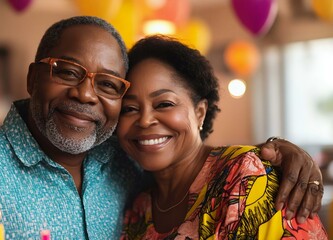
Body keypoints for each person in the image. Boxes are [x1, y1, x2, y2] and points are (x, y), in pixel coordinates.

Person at [0, 16, 324, 239]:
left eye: (107, 85)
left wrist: (275, 152)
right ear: (33, 78)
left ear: (200, 112)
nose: (86, 95)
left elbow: (208, 171)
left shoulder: (124, 169)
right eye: (67, 71)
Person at [118, 35, 327, 239]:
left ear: (200, 112)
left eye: (164, 104)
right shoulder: (138, 208)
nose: (144, 120)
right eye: (129, 108)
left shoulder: (248, 177)